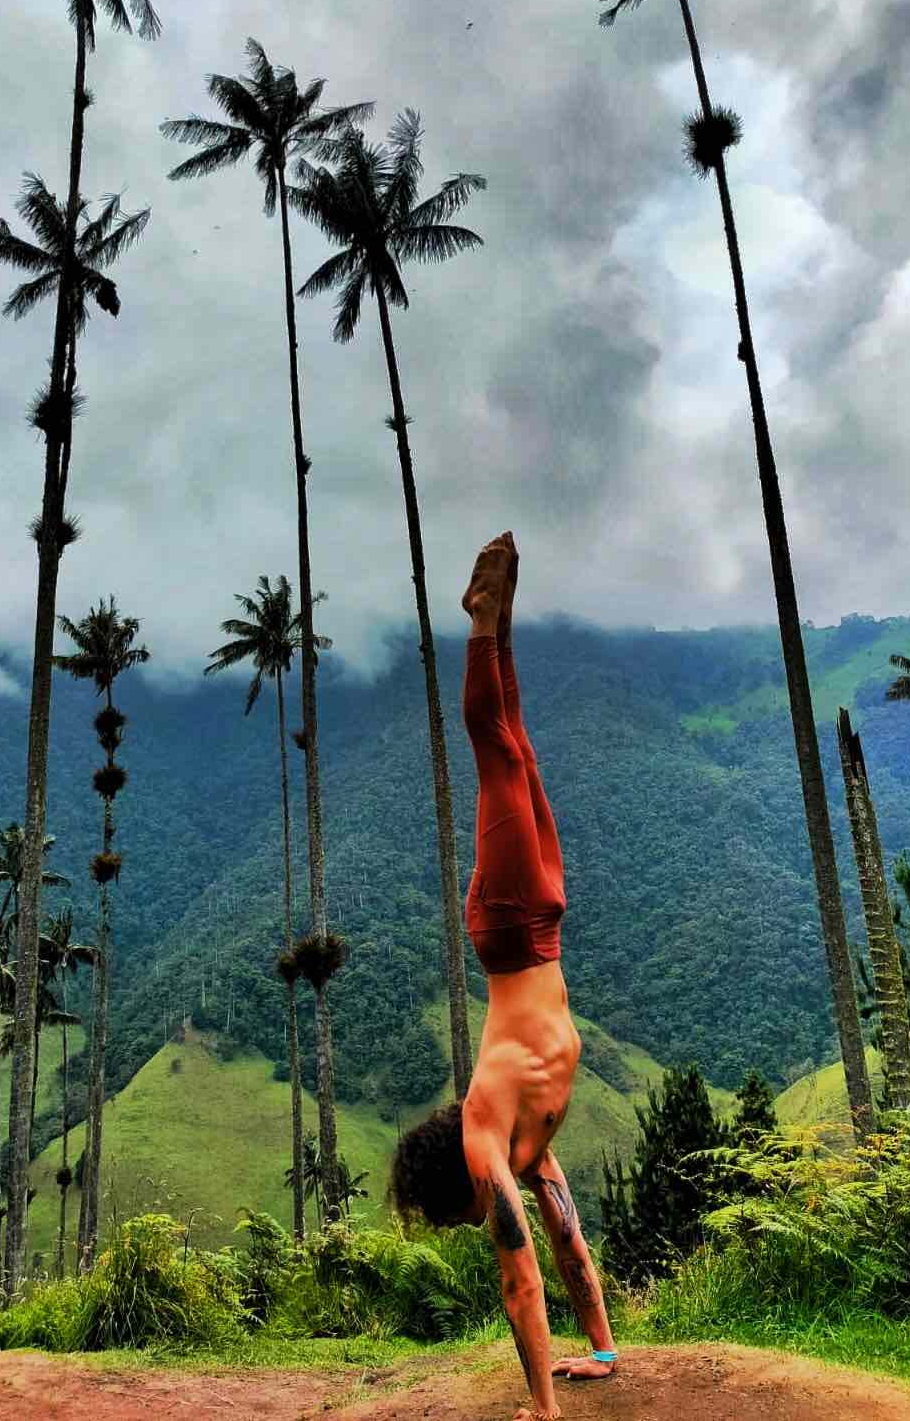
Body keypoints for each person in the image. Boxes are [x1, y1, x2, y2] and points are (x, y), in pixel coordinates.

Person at [388, 531, 618, 1421]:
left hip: (510, 928)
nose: (473, 1221)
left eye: (455, 1213)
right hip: (546, 931)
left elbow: (522, 1279)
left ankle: (485, 620)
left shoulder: (489, 1142)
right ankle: (503, 626)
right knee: (518, 748)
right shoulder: (527, 1153)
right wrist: (597, 1351)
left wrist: (541, 1407)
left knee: (492, 746)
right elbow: (566, 1245)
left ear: (457, 1182)